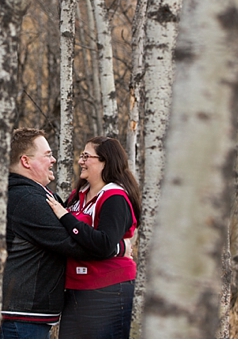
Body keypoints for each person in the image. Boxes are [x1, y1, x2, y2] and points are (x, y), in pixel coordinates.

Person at [0, 129, 130, 339]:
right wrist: (118, 247)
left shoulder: (32, 193)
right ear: (26, 161)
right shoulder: (27, 200)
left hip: (27, 314)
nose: (53, 160)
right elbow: (72, 243)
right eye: (47, 155)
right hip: (21, 317)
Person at [45, 136, 142, 339]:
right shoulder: (78, 195)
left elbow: (103, 244)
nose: (80, 161)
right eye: (82, 156)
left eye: (86, 156)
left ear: (105, 161)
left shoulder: (115, 197)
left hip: (109, 292)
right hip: (75, 291)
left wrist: (64, 216)